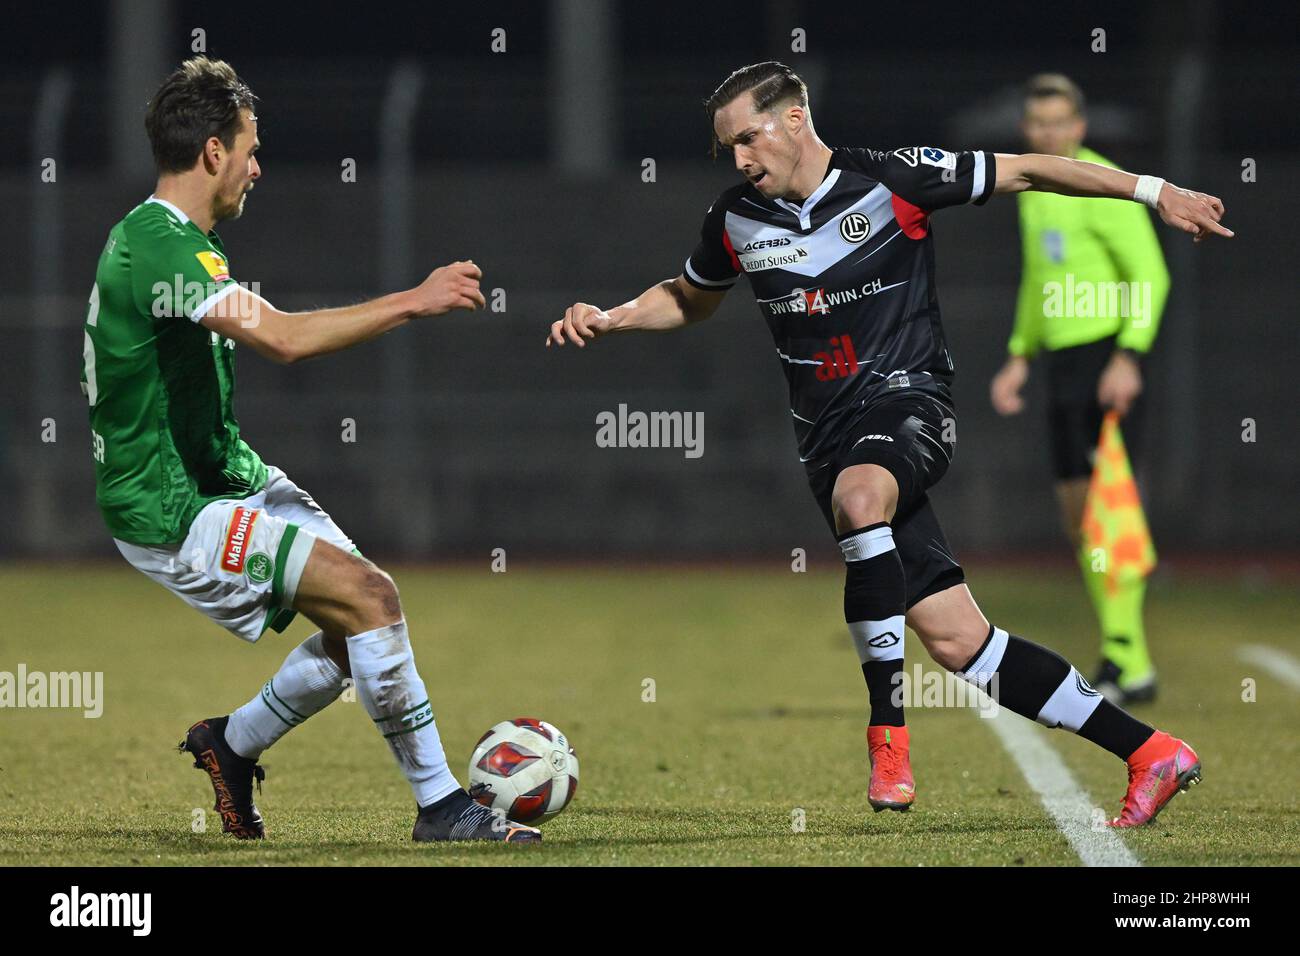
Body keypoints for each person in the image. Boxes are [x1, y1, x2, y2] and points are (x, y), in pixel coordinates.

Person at [547, 61, 1230, 826]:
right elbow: (688, 298)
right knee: (959, 642)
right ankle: (1150, 751)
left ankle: (888, 738)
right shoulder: (736, 218)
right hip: (826, 441)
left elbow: (1033, 170)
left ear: (795, 118)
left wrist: (1153, 190)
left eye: (747, 138)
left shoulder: (894, 179)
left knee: (862, 495)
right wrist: (611, 315)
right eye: (727, 148)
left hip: (911, 405)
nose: (739, 159)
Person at [81, 56, 539, 843]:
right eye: (250, 148)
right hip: (166, 505)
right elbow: (285, 340)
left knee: (356, 622)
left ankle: (231, 744)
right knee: (372, 600)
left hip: (224, 474)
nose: (258, 167)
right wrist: (414, 299)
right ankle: (441, 808)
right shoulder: (155, 244)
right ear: (213, 152)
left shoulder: (179, 238)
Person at [990, 74, 1169, 704]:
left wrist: (1128, 357)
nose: (1049, 133)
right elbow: (1038, 279)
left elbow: (1150, 275)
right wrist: (1018, 356)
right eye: (1038, 125)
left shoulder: (1099, 183)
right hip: (1062, 368)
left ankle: (1126, 658)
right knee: (1077, 518)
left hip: (1103, 361)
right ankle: (1129, 658)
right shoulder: (1034, 187)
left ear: (1080, 126)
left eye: (1059, 122)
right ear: (1026, 130)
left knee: (1108, 510)